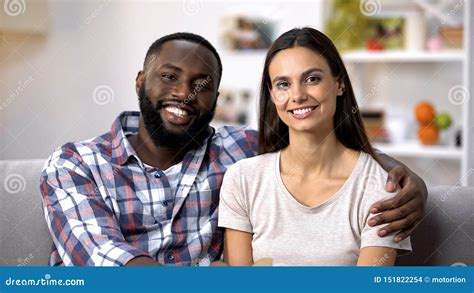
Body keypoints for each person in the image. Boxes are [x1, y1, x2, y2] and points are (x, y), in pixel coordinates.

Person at [40, 32, 426, 266]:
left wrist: (408, 180)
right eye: (169, 77)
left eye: (201, 84)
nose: (183, 93)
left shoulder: (236, 150)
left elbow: (316, 140)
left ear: (216, 98)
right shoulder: (77, 164)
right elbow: (104, 263)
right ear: (141, 82)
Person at [218, 27, 412, 266]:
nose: (297, 95)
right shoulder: (242, 179)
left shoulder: (377, 185)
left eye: (312, 79)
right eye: (283, 84)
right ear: (271, 94)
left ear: (339, 84)